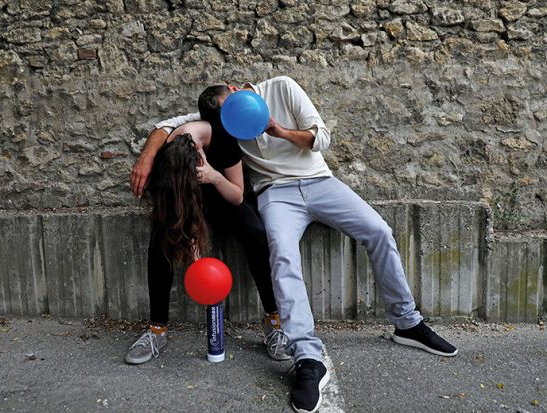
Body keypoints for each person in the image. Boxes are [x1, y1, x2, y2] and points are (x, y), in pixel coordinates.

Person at [141, 76, 459, 413]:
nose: (231, 122)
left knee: (379, 230)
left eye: (231, 112)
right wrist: (148, 157)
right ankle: (308, 358)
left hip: (320, 182)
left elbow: (321, 137)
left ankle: (407, 323)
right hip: (275, 194)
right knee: (281, 253)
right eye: (224, 119)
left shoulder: (281, 88)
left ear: (236, 90)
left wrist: (279, 131)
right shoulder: (225, 121)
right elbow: (173, 124)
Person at [126, 119, 290, 365]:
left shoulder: (224, 140)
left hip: (225, 193)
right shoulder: (169, 153)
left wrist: (213, 176)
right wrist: (189, 241)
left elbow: (236, 196)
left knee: (256, 232)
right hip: (190, 200)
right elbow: (174, 204)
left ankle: (274, 323)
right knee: (161, 237)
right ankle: (156, 331)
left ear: (201, 157)